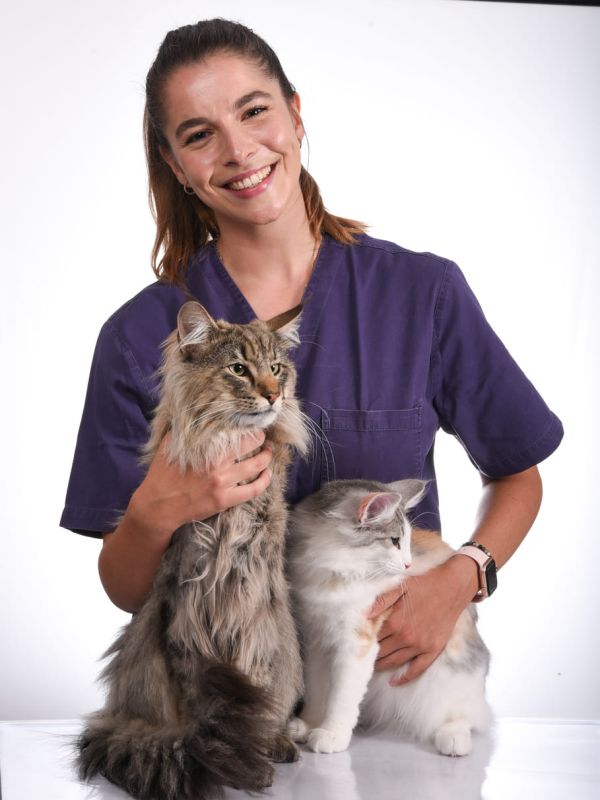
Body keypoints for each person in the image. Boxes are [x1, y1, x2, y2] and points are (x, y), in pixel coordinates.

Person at [60, 19, 563, 684]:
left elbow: (519, 473)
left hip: (380, 699)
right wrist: (160, 507)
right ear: (177, 167)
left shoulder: (422, 293)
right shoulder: (138, 337)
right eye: (200, 135)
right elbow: (126, 590)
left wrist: (463, 577)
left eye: (254, 112)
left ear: (295, 117)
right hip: (224, 711)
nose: (239, 150)